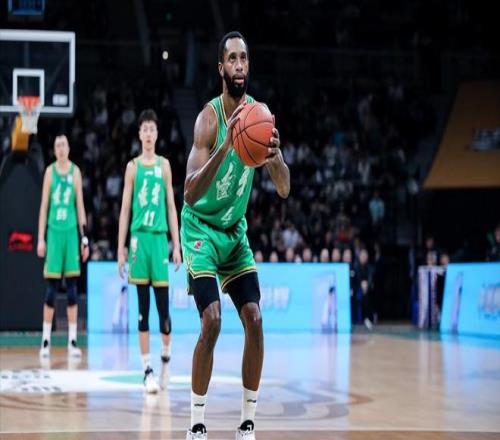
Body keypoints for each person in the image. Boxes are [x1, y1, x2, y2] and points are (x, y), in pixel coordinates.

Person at [182, 31, 290, 440]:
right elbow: (189, 192)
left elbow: (284, 188)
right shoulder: (208, 120)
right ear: (221, 68)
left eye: (244, 58)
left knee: (255, 320)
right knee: (212, 319)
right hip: (201, 230)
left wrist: (275, 159)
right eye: (232, 59)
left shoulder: (260, 117)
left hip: (233, 231)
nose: (239, 65)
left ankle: (247, 422)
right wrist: (225, 148)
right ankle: (197, 423)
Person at [117, 109, 182, 394]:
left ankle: (165, 361)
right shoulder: (132, 167)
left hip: (158, 242)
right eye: (144, 129)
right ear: (139, 134)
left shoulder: (164, 165)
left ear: (156, 134)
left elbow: (171, 207)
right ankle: (147, 371)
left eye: (151, 129)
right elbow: (124, 210)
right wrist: (120, 249)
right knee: (142, 311)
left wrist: (176, 244)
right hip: (138, 242)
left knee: (163, 311)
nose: (148, 133)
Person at [37, 134, 90, 358]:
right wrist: (41, 238)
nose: (60, 148)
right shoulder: (50, 172)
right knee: (51, 290)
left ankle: (72, 340)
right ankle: (45, 340)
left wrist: (84, 238)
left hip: (70, 234)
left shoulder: (75, 172)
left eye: (63, 145)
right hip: (54, 233)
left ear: (68, 148)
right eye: (57, 145)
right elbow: (44, 206)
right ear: (54, 149)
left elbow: (80, 206)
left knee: (72, 291)